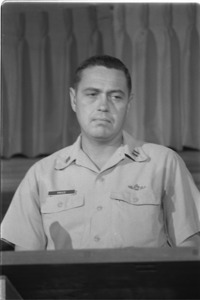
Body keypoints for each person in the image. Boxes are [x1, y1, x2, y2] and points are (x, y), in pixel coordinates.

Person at [1, 55, 200, 251]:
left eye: (116, 96)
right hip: (66, 284)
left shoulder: (164, 163)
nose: (104, 106)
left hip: (145, 284)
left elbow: (190, 246)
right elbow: (26, 260)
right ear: (73, 99)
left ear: (128, 103)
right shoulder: (42, 174)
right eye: (92, 94)